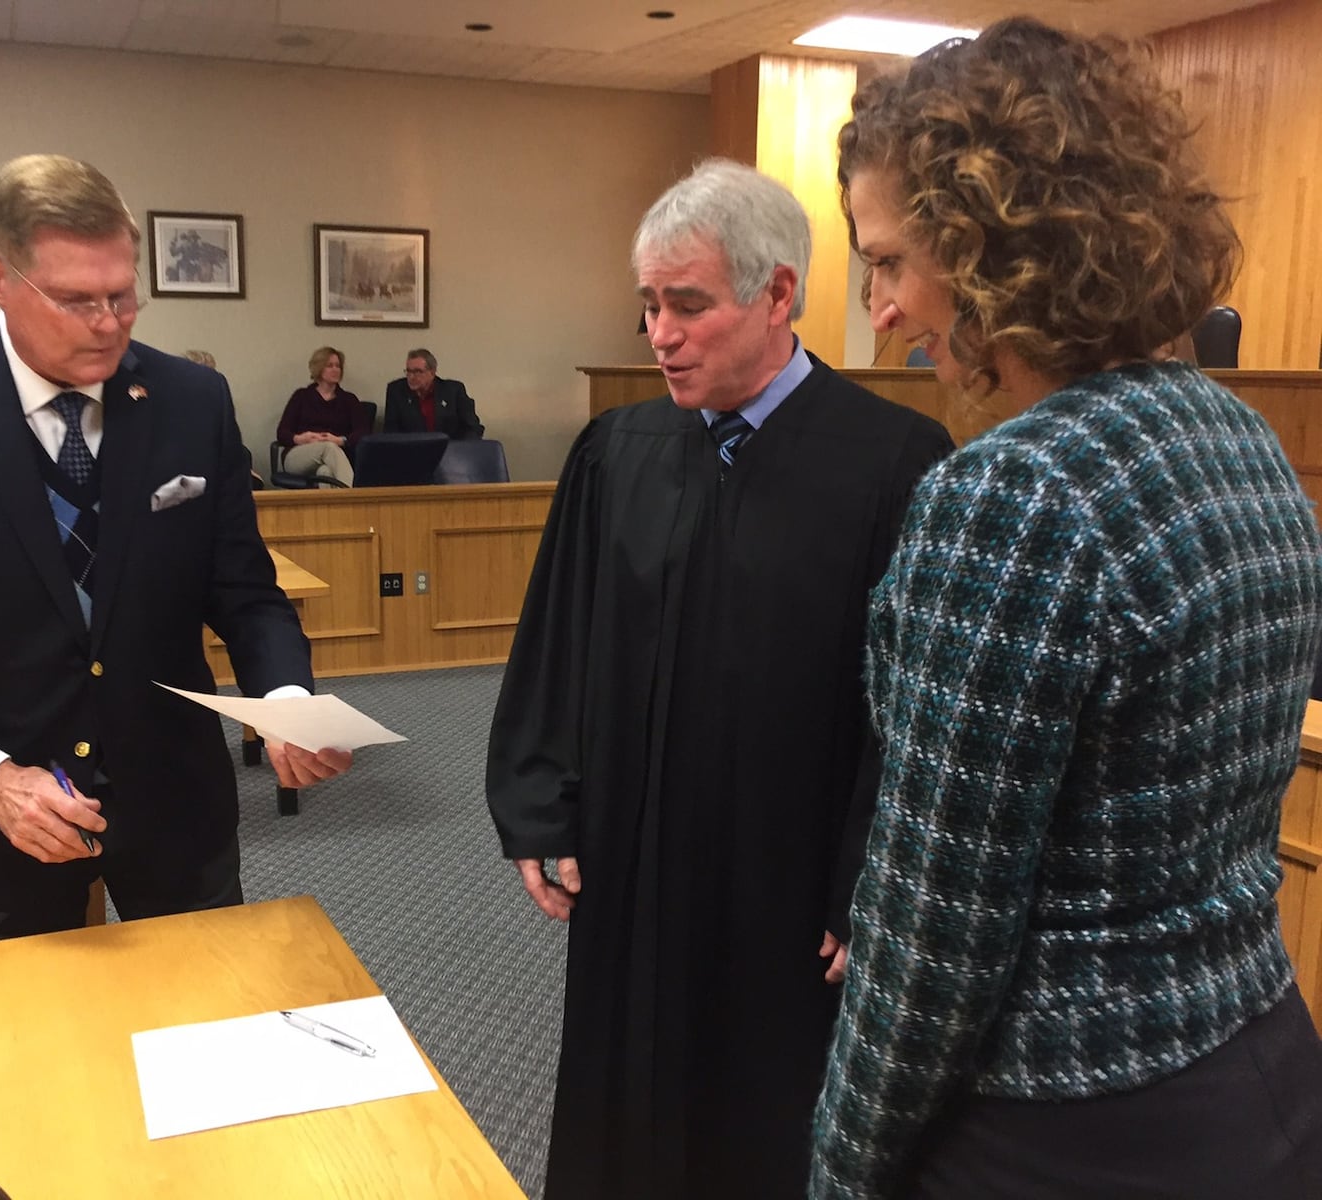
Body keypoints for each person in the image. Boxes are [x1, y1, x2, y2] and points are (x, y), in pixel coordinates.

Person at [810, 19, 1322, 1198]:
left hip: (1063, 1129)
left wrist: (839, 1170)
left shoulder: (1006, 496)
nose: (879, 310)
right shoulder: (1237, 436)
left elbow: (930, 943)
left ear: (993, 247)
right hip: (1263, 1072)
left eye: (888, 262)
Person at [485, 158, 954, 1198]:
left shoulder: (893, 461)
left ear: (776, 292)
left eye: (687, 305)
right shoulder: (619, 449)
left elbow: (908, 708)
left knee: (759, 1118)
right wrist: (539, 802)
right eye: (648, 305)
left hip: (779, 885)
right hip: (633, 857)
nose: (659, 334)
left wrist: (865, 875)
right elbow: (557, 635)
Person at [0, 153, 351, 946]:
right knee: (23, 1061)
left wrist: (286, 702)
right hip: (0, 827)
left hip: (176, 805)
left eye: (123, 294)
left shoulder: (194, 400)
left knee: (204, 1041)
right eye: (74, 300)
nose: (108, 324)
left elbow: (244, 590)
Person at [275, 346, 371, 486]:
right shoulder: (301, 396)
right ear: (319, 368)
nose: (335, 369)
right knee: (328, 447)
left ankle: (336, 508)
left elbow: (363, 432)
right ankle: (354, 499)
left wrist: (341, 440)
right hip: (299, 455)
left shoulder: (349, 400)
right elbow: (282, 432)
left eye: (338, 366)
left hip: (334, 456)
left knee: (325, 472)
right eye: (330, 366)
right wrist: (300, 438)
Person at [382, 349, 484, 438]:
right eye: (409, 371)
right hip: (411, 452)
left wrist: (461, 449)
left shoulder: (454, 391)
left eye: (417, 372)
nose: (411, 377)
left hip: (450, 452)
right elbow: (390, 432)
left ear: (432, 372)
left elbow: (473, 428)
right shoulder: (396, 391)